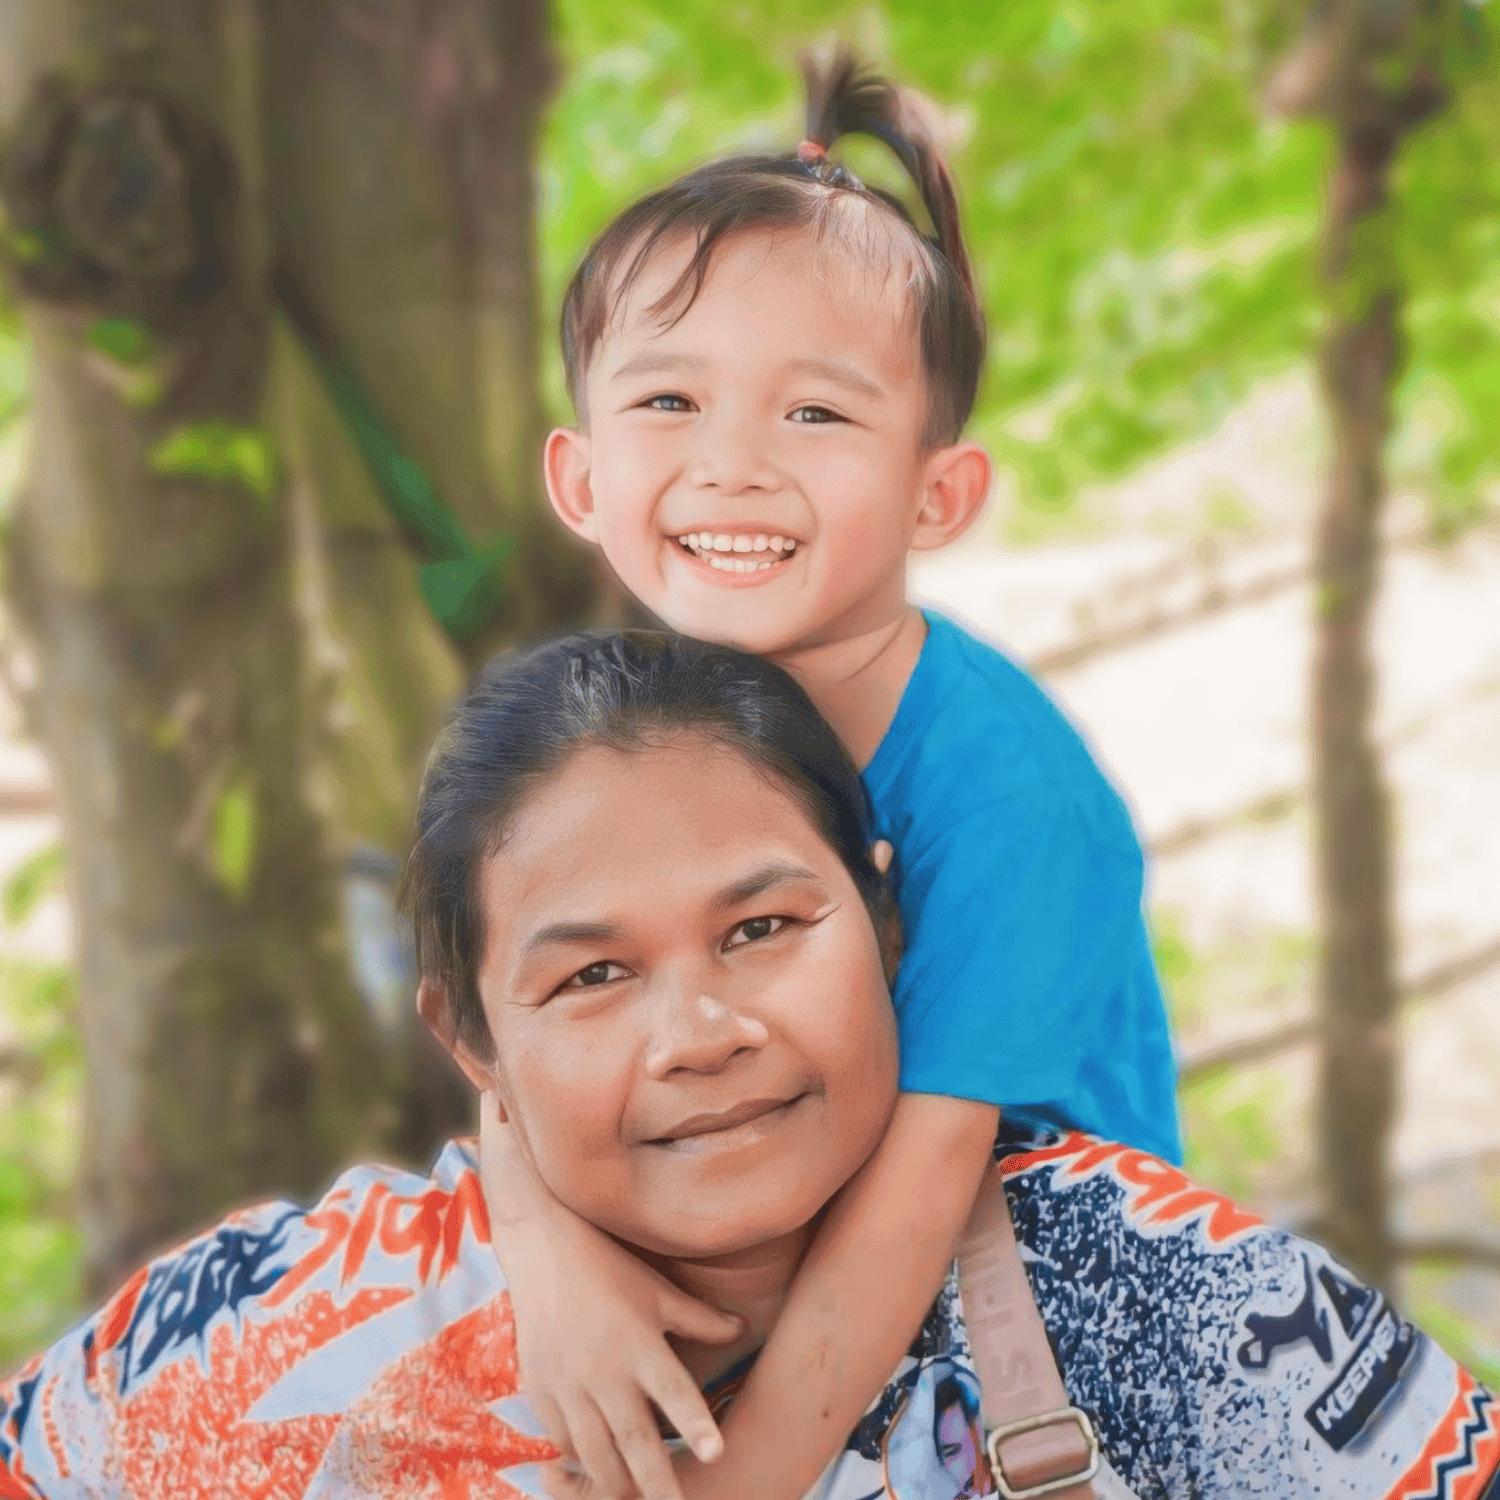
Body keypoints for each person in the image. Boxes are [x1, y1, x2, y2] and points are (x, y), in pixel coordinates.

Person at [4, 631, 1495, 1500]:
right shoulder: (273, 1343)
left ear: (887, 921)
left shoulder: (1147, 1288)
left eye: (764, 927)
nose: (701, 1033)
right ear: (472, 1038)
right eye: (591, 975)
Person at [484, 47, 1179, 1500]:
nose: (733, 467)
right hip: (775, 1261)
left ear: (940, 492)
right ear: (581, 478)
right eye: (669, 403)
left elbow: (924, 1191)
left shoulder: (1009, 800)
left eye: (813, 415)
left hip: (1027, 1324)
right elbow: (511, 1020)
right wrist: (552, 1260)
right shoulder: (625, 737)